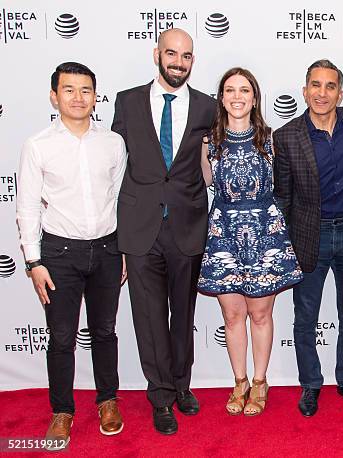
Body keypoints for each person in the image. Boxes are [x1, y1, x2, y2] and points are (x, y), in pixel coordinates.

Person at [16, 62, 127, 450]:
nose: (78, 98)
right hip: (58, 253)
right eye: (69, 90)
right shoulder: (38, 145)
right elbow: (28, 206)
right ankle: (62, 410)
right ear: (54, 96)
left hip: (108, 248)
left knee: (104, 331)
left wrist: (123, 248)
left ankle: (107, 401)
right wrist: (33, 261)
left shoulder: (112, 142)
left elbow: (118, 199)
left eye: (85, 90)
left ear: (96, 96)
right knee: (62, 336)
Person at [111, 28, 216, 435]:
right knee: (149, 318)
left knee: (182, 315)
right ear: (157, 54)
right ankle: (160, 395)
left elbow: (215, 160)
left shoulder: (208, 107)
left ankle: (182, 385)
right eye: (171, 53)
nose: (178, 62)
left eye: (186, 56)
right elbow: (114, 168)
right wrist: (113, 236)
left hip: (187, 227)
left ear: (193, 60)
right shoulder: (127, 102)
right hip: (139, 230)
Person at [198, 67, 303, 416]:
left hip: (265, 235)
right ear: (222, 97)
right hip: (224, 235)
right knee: (232, 314)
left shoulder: (271, 140)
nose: (238, 96)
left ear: (255, 98)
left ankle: (260, 381)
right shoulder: (209, 143)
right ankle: (239, 381)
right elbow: (207, 185)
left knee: (260, 313)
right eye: (230, 90)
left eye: (245, 90)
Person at [273, 59, 343, 417]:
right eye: (316, 85)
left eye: (330, 86)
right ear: (304, 90)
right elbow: (282, 196)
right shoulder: (286, 137)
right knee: (306, 316)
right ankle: (311, 384)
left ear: (340, 93)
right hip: (309, 236)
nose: (322, 93)